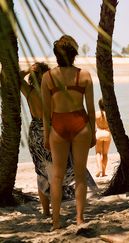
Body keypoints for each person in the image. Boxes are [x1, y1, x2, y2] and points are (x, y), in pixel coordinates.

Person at [41, 35, 96, 230]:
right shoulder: (84, 76)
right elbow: (91, 110)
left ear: (56, 55)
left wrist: (47, 135)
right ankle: (79, 219)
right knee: (80, 175)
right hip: (80, 124)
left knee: (56, 176)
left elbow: (46, 113)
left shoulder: (47, 77)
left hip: (58, 125)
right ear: (74, 54)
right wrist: (94, 133)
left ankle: (56, 222)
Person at [19, 62, 75, 216]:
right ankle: (57, 207)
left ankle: (46, 212)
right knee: (58, 171)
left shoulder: (29, 92)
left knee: (41, 173)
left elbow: (16, 78)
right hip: (54, 131)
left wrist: (26, 70)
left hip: (36, 134)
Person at [95, 98, 111, 177]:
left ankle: (99, 169)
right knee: (105, 154)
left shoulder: (96, 114)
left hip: (99, 133)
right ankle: (104, 172)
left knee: (98, 153)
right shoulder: (109, 114)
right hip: (107, 133)